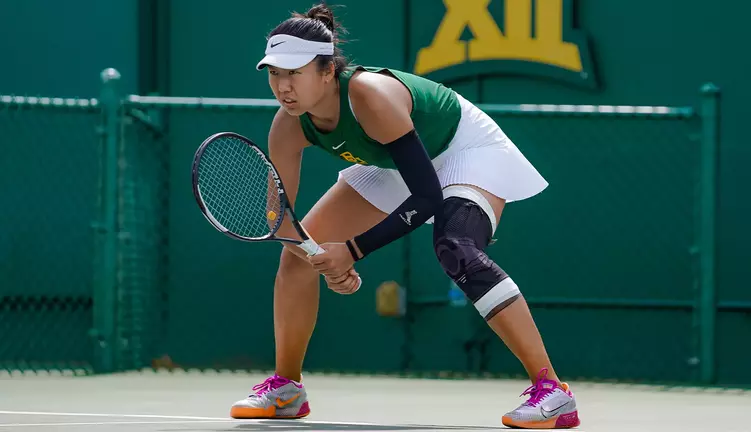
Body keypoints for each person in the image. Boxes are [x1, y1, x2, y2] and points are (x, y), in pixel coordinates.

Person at [229, 3, 580, 429]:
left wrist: (353, 251)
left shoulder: (369, 96)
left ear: (326, 71)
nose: (283, 86)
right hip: (393, 161)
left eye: (294, 72)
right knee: (293, 262)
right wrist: (318, 256)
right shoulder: (287, 125)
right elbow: (282, 216)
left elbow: (428, 197)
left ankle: (552, 391)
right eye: (274, 74)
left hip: (463, 148)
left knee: (457, 249)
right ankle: (287, 388)